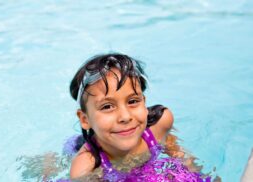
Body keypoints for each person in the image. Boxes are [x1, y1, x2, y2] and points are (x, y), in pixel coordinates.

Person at [68, 53, 211, 181]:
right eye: (107, 106)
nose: (125, 117)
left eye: (133, 101)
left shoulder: (159, 126)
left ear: (144, 102)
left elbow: (180, 155)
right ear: (85, 120)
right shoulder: (86, 168)